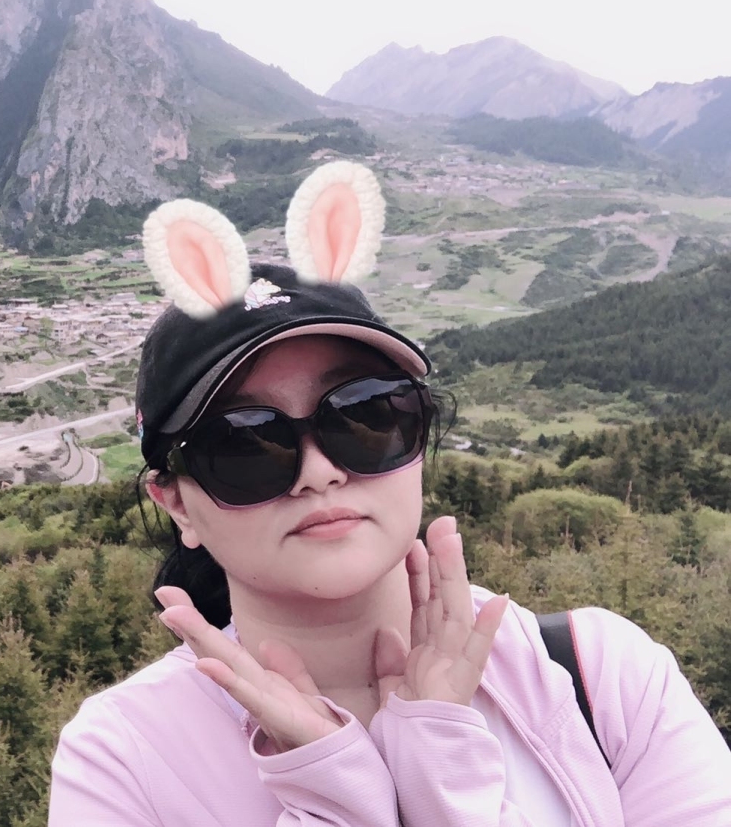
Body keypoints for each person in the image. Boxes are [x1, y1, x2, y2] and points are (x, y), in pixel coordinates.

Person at [48, 161, 731, 826]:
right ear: (177, 504)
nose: (319, 472)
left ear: (420, 438)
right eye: (244, 444)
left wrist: (442, 776)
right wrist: (336, 789)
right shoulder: (123, 760)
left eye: (365, 414)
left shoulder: (601, 676)